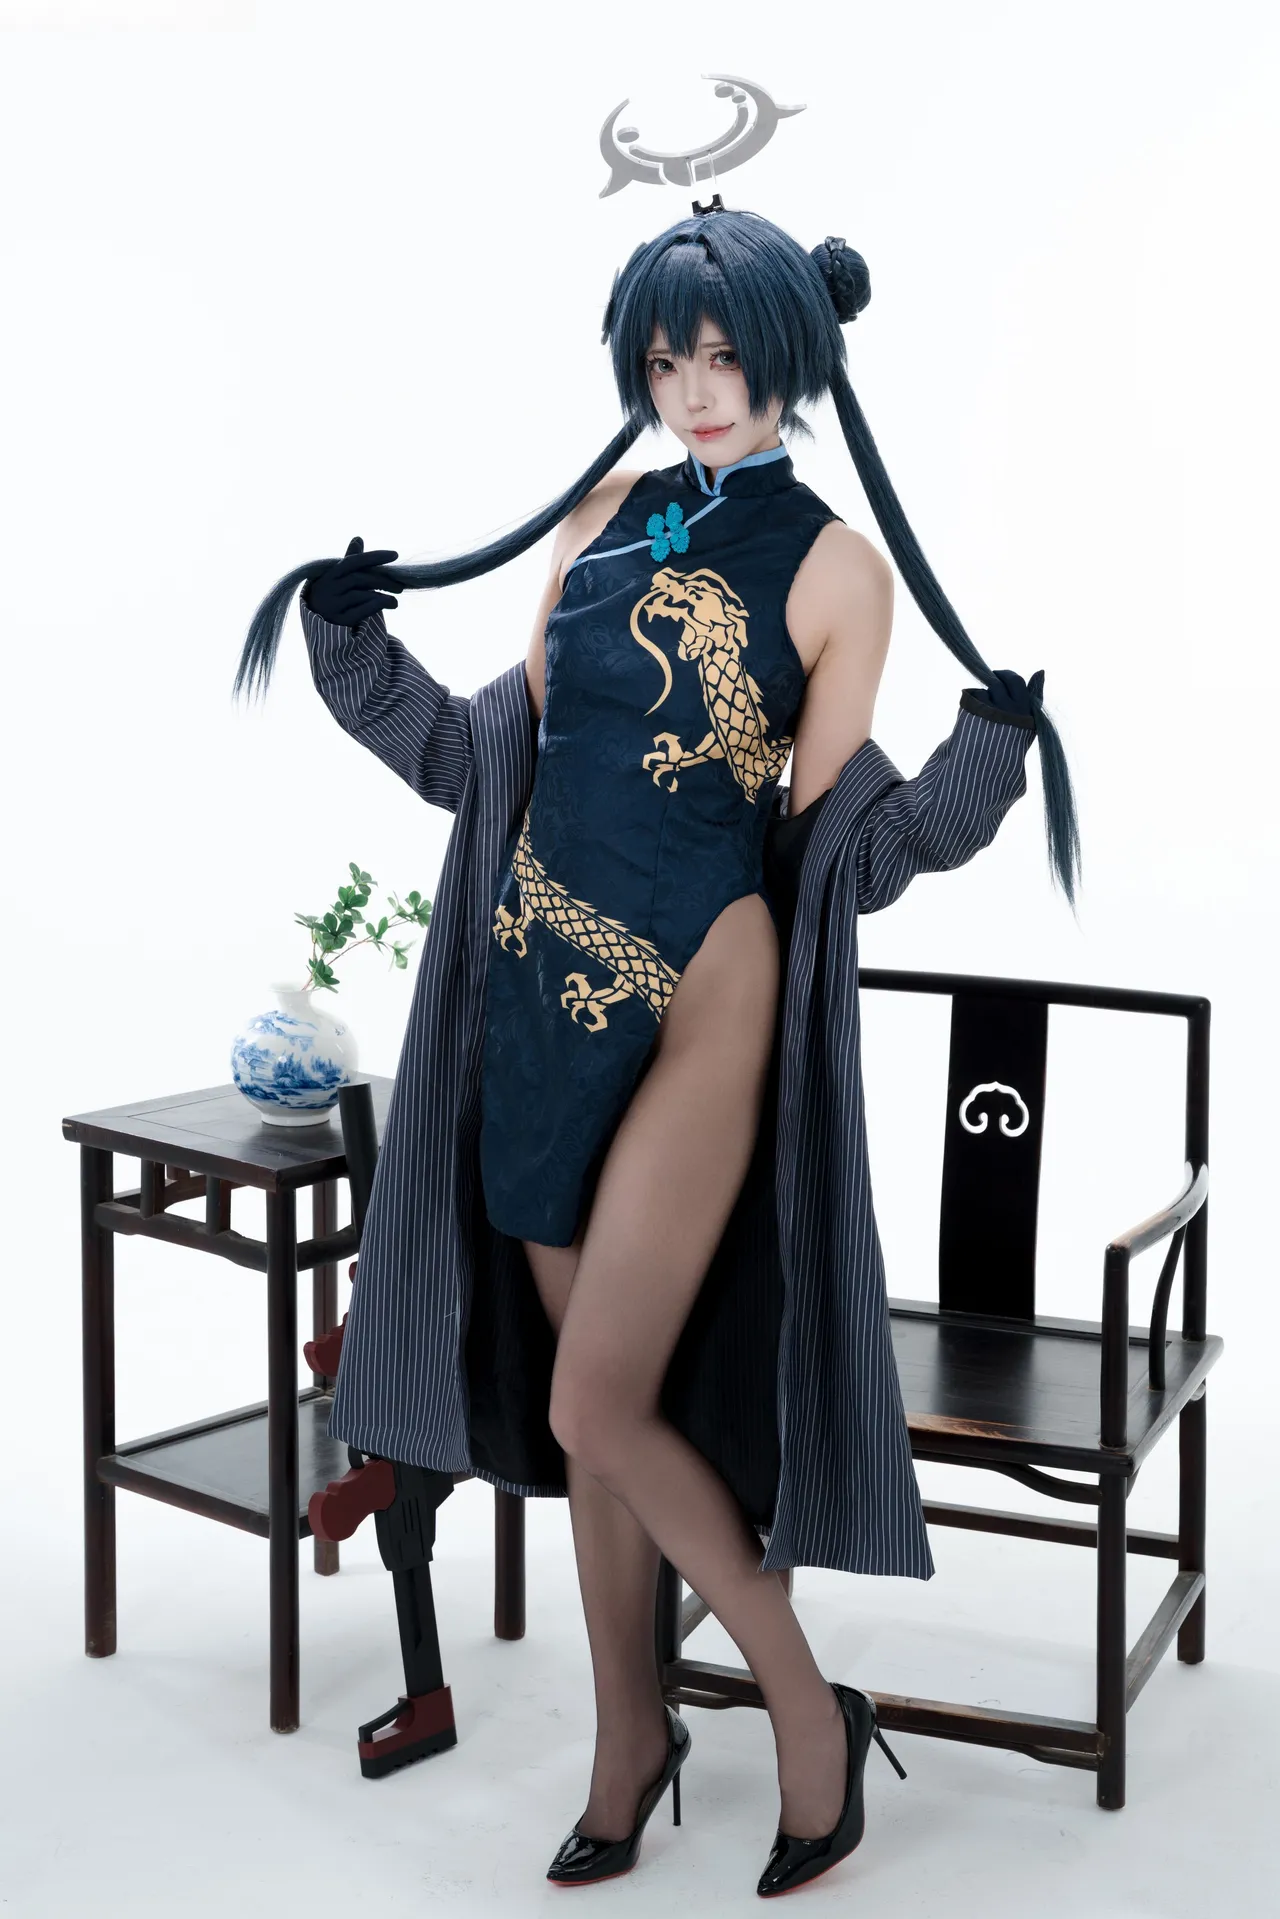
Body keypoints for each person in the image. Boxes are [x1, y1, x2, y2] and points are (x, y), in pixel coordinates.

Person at [234, 205, 1078, 1897]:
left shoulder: (839, 569)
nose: (696, 388)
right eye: (669, 357)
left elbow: (847, 847)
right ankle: (632, 1740)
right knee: (601, 1424)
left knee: (596, 1393)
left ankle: (806, 1710)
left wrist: (985, 765)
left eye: (727, 357)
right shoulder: (598, 519)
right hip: (540, 990)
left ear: (791, 358)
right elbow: (487, 753)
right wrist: (352, 648)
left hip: (706, 984)